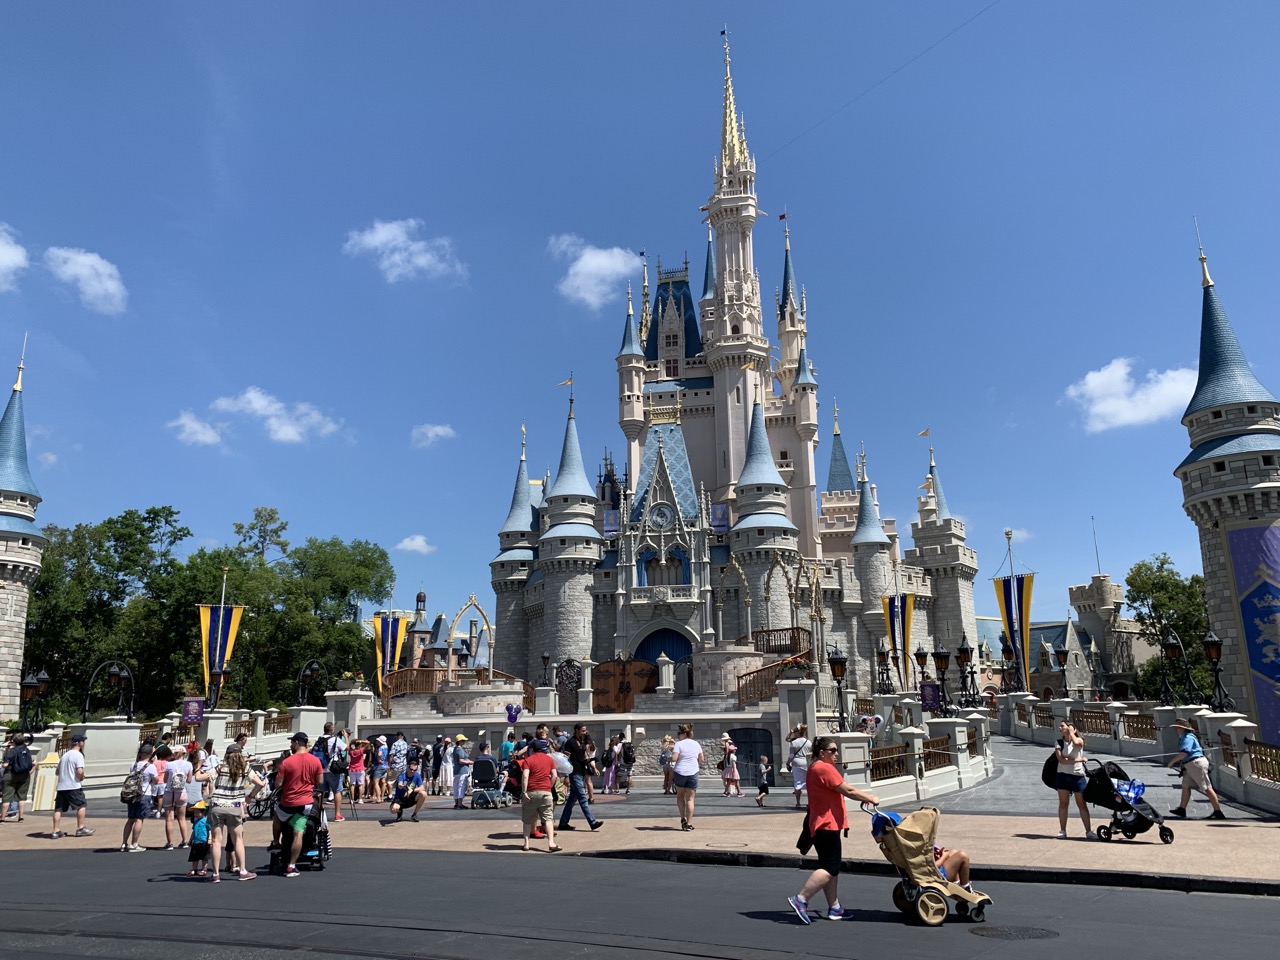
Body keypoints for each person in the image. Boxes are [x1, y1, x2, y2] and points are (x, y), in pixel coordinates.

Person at [786, 736, 880, 924]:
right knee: (830, 867)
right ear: (822, 753)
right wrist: (870, 798)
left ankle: (835, 907)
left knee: (830, 867)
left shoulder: (815, 767)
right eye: (833, 750)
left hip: (823, 824)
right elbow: (849, 790)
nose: (837, 754)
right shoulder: (823, 768)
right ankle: (801, 899)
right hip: (826, 825)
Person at [197, 742, 262, 882]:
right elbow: (260, 783)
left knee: (215, 841)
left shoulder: (220, 768)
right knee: (238, 839)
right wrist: (250, 797)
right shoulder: (245, 769)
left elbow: (199, 778)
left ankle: (215, 874)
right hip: (235, 806)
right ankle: (243, 871)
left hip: (217, 805)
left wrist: (198, 767)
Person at [274, 731, 324, 878]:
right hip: (305, 803)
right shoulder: (315, 761)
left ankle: (276, 842)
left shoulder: (287, 762)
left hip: (288, 802)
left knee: (277, 815)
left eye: (292, 742)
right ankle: (291, 865)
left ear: (296, 743)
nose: (291, 745)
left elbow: (278, 784)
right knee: (298, 832)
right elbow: (320, 782)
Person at [1167, 717, 1226, 820]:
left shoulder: (1188, 738)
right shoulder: (1185, 737)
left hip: (1196, 763)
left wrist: (1172, 761)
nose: (1176, 729)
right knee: (1186, 786)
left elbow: (1184, 752)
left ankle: (1218, 812)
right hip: (1190, 764)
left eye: (1177, 727)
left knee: (1207, 787)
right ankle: (1182, 809)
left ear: (1183, 728)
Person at [1054, 720, 1096, 840]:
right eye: (1060, 726)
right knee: (1063, 803)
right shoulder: (1059, 742)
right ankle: (1063, 830)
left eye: (1063, 726)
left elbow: (1078, 744)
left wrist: (1072, 733)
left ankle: (1088, 831)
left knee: (1081, 803)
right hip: (1062, 775)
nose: (1060, 728)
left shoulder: (1079, 740)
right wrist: (1079, 760)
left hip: (1077, 775)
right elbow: (1062, 760)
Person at [557, 723, 604, 832]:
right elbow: (565, 760)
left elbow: (585, 758)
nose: (585, 733)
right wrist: (566, 775)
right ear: (576, 730)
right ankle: (592, 822)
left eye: (585, 731)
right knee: (583, 798)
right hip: (574, 774)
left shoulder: (582, 743)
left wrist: (593, 767)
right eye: (582, 731)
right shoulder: (570, 742)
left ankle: (563, 823)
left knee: (571, 801)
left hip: (581, 773)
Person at [520, 738, 560, 852]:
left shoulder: (528, 760)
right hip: (545, 792)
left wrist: (524, 791)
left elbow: (525, 776)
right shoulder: (549, 759)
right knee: (548, 818)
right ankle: (551, 843)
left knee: (527, 819)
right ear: (543, 749)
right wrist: (550, 786)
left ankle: (526, 844)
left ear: (532, 749)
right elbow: (555, 775)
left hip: (531, 792)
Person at [51, 733, 94, 839]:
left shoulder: (65, 755)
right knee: (81, 805)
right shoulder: (78, 755)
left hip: (62, 786)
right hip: (73, 786)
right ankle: (80, 828)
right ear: (79, 743)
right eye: (82, 741)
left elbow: (57, 772)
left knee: (58, 809)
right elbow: (79, 770)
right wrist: (82, 776)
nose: (83, 743)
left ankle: (56, 830)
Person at [120, 743, 156, 851]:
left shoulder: (133, 765)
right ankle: (134, 843)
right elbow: (156, 780)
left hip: (132, 794)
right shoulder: (151, 767)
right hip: (144, 794)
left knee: (130, 819)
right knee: (139, 819)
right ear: (150, 754)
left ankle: (124, 843)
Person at [670, 723, 703, 831]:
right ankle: (689, 823)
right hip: (693, 772)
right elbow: (701, 759)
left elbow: (674, 758)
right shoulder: (696, 744)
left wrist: (669, 758)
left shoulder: (679, 744)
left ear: (683, 734)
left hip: (680, 772)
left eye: (679, 733)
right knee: (690, 799)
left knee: (680, 796)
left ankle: (682, 818)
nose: (678, 735)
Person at [160, 745, 193, 849]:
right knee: (182, 818)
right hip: (181, 792)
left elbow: (165, 780)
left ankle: (169, 843)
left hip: (169, 791)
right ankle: (184, 841)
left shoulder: (169, 765)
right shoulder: (188, 764)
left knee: (169, 819)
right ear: (184, 754)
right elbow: (189, 780)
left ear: (174, 754)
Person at [317, 722, 348, 822]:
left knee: (320, 792)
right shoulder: (335, 739)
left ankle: (318, 813)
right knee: (337, 791)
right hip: (333, 768)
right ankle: (337, 814)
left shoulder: (319, 739)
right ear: (332, 730)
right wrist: (346, 737)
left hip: (321, 769)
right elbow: (346, 748)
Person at [2, 732, 34, 823]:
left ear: (14, 741)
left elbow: (5, 765)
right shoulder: (26, 750)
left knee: (7, 797)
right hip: (24, 775)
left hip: (11, 775)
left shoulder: (12, 751)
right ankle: (20, 817)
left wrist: (6, 751)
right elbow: (33, 762)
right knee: (22, 797)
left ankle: (2, 818)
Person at [390, 757, 428, 822]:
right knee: (393, 810)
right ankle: (399, 812)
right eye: (411, 769)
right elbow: (400, 784)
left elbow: (422, 787)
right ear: (408, 768)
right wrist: (402, 786)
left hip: (410, 797)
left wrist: (413, 790)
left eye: (414, 770)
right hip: (400, 798)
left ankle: (414, 814)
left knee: (423, 794)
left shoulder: (417, 775)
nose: (412, 771)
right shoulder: (402, 775)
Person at [787, 724, 811, 809]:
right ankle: (810, 802)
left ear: (798, 732)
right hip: (807, 763)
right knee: (808, 783)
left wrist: (787, 763)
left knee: (798, 783)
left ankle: (798, 802)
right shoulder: (808, 742)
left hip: (797, 763)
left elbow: (791, 756)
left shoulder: (794, 743)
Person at [187, 803, 211, 877]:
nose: (195, 814)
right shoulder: (195, 822)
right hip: (196, 842)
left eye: (197, 812)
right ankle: (194, 869)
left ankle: (204, 869)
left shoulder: (206, 821)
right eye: (194, 812)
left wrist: (210, 839)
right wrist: (190, 840)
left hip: (203, 841)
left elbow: (209, 830)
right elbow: (194, 831)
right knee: (195, 857)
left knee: (204, 857)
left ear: (203, 812)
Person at [451, 734, 473, 808]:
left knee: (456, 787)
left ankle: (457, 803)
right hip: (462, 770)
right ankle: (460, 804)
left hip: (457, 770)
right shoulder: (460, 749)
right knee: (461, 786)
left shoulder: (455, 749)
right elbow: (461, 761)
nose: (464, 742)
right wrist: (469, 762)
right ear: (460, 741)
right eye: (463, 740)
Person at [347, 739, 367, 804]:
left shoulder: (351, 751)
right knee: (360, 785)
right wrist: (361, 741)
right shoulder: (360, 751)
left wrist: (352, 742)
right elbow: (368, 743)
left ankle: (352, 799)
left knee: (352, 784)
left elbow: (349, 745)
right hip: (360, 769)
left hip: (352, 769)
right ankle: (360, 799)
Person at [371, 735, 389, 803]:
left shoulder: (380, 748)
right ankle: (382, 797)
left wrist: (379, 759)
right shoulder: (386, 747)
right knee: (383, 782)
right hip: (385, 765)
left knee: (376, 783)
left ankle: (378, 798)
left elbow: (379, 754)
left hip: (379, 766)